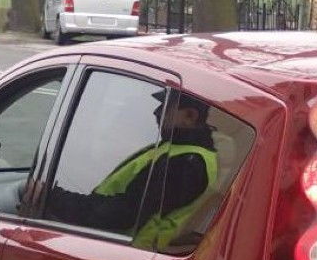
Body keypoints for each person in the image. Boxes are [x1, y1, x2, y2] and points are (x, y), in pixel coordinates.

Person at [46, 90, 217, 250]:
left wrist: (52, 197)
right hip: (116, 250)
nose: (156, 112)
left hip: (118, 257)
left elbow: (122, 212)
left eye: (165, 107)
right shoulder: (180, 151)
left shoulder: (185, 164)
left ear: (190, 116)